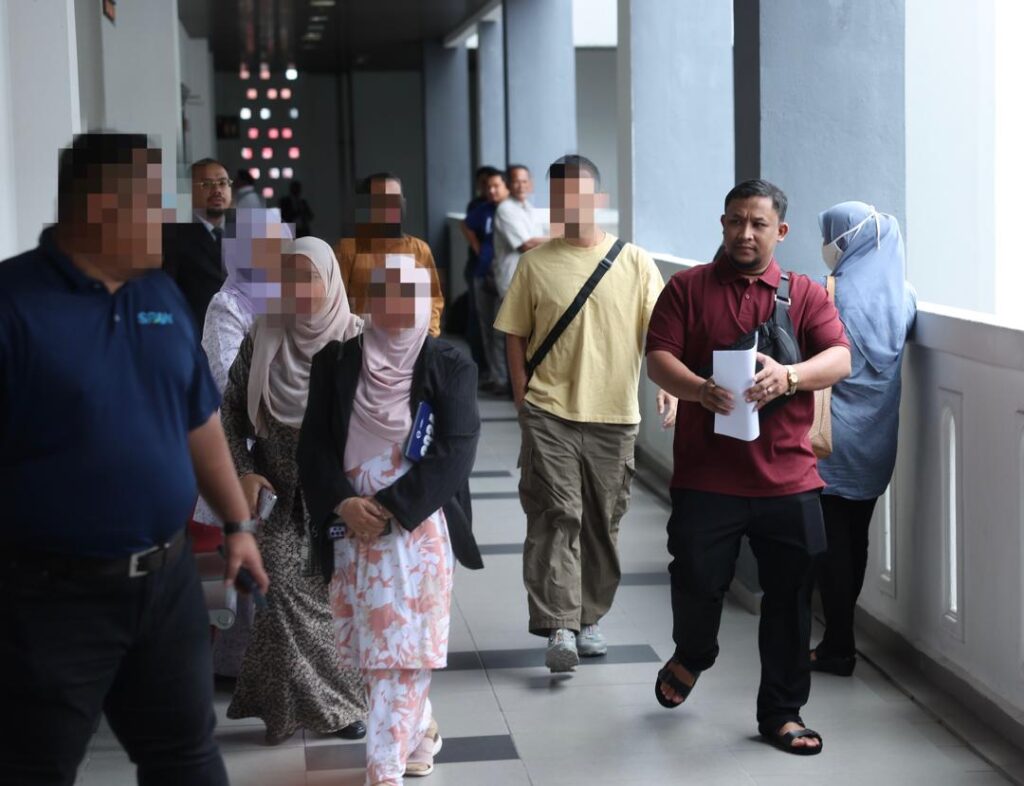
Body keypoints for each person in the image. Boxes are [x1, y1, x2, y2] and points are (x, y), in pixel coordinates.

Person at [0, 132, 267, 786]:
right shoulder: (14, 305)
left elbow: (198, 418)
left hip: (164, 582)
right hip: (51, 598)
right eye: (153, 204)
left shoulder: (159, 295)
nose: (167, 220)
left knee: (187, 759)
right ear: (99, 209)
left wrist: (237, 525)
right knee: (34, 768)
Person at [645, 179, 852, 755]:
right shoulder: (687, 288)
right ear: (722, 223)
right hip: (706, 476)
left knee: (790, 597)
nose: (745, 233)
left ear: (779, 231)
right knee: (695, 577)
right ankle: (694, 652)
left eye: (758, 223)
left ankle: (782, 713)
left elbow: (839, 357)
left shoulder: (804, 293)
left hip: (788, 477)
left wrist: (790, 376)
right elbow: (658, 358)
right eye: (736, 221)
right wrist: (698, 389)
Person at [298, 254, 483, 786]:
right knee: (368, 648)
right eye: (384, 290)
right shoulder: (335, 360)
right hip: (351, 526)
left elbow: (456, 450)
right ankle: (419, 728)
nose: (396, 303)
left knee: (399, 650)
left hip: (416, 527)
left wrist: (391, 510)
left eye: (408, 291)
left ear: (426, 298)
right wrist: (344, 504)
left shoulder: (450, 363)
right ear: (367, 299)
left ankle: (383, 771)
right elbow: (314, 445)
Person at [494, 155, 677, 673]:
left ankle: (589, 617)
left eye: (579, 195)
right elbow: (515, 335)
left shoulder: (635, 263)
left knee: (601, 521)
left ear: (599, 200)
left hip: (614, 416)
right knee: (557, 514)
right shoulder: (535, 264)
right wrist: (522, 399)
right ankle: (560, 625)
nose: (570, 206)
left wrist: (669, 385)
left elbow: (661, 333)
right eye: (560, 197)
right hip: (549, 411)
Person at [222, 236, 367, 745]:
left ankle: (341, 705)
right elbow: (230, 410)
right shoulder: (264, 333)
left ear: (330, 281)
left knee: (341, 594)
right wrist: (243, 469)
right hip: (281, 494)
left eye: (308, 277)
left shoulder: (356, 341)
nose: (298, 288)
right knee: (279, 584)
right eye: (289, 277)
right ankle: (305, 706)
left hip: (342, 495)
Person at [811, 202, 917, 676]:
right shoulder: (904, 298)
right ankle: (840, 639)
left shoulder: (827, 296)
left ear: (846, 241)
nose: (826, 245)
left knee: (830, 545)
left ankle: (838, 644)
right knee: (856, 540)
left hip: (830, 442)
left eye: (830, 236)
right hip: (876, 442)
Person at [197, 207, 292, 679]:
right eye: (260, 243)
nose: (271, 251)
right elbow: (225, 377)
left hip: (286, 442)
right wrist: (291, 386)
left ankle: (264, 665)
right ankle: (229, 664)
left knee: (277, 555)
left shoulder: (292, 294)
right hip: (243, 443)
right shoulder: (227, 305)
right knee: (239, 557)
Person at [334, 172, 444, 336]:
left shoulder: (420, 250)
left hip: (411, 343)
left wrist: (428, 335)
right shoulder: (348, 250)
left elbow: (433, 299)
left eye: (396, 198)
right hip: (361, 340)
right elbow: (335, 303)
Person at [163, 157, 234, 328]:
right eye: (206, 184)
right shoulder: (171, 235)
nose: (217, 190)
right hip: (198, 332)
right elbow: (167, 293)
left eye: (222, 183)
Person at [463, 169, 510, 394]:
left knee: (504, 330)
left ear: (506, 187)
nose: (491, 190)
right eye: (488, 186)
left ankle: (508, 379)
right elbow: (466, 225)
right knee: (487, 328)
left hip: (507, 276)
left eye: (496, 186)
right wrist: (478, 247)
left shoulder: (513, 211)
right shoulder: (484, 209)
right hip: (483, 273)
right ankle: (497, 377)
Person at [492, 164, 546, 299]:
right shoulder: (505, 209)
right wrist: (563, 238)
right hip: (512, 280)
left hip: (530, 279)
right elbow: (526, 245)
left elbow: (540, 238)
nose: (521, 186)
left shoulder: (529, 207)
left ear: (530, 184)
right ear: (507, 184)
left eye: (524, 181)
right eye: (516, 182)